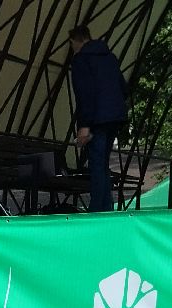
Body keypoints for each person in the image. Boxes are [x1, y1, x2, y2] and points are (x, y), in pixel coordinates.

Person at [68, 24, 127, 213]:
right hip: (114, 118)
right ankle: (106, 207)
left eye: (71, 44)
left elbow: (85, 94)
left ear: (77, 40)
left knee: (96, 164)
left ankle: (97, 209)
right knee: (103, 164)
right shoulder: (110, 58)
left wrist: (84, 125)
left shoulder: (81, 61)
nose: (72, 48)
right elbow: (124, 88)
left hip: (96, 120)